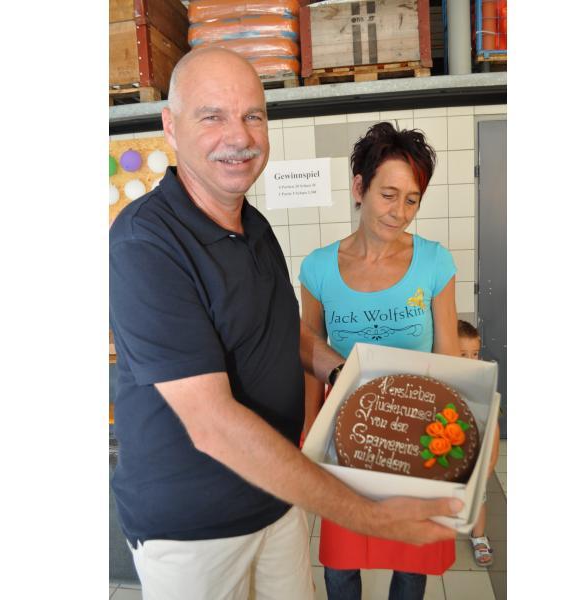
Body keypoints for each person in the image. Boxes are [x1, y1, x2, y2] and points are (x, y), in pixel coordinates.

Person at [108, 47, 464, 600]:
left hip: (276, 499)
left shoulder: (254, 226)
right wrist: (367, 514)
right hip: (194, 531)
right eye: (213, 115)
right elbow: (212, 423)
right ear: (170, 126)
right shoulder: (145, 243)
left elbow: (287, 331)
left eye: (253, 115)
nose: (239, 135)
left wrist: (344, 372)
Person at [299, 122, 461, 600]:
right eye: (388, 195)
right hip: (348, 431)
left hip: (417, 430)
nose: (400, 212)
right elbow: (309, 350)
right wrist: (308, 432)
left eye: (412, 200)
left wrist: (455, 449)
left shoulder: (434, 262)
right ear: (359, 188)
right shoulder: (318, 267)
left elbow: (448, 357)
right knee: (340, 559)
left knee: (410, 559)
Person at [458, 319, 501, 567]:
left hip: (475, 457)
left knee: (478, 499)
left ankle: (479, 536)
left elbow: (493, 424)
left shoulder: (482, 386)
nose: (471, 360)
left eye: (474, 353)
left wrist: (491, 462)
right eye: (463, 354)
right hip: (450, 456)